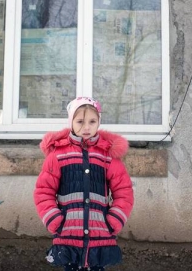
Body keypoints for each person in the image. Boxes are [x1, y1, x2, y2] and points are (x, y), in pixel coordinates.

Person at [34, 97, 134, 271]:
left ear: (99, 122)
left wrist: (114, 221)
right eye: (80, 121)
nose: (86, 127)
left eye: (92, 121)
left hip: (99, 235)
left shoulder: (107, 155)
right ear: (71, 122)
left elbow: (124, 191)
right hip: (69, 234)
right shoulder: (58, 155)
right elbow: (44, 191)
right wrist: (55, 220)